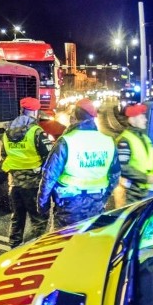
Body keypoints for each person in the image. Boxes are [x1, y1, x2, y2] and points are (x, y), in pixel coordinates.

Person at [37, 98, 121, 229]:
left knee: (63, 245)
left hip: (69, 208)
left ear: (74, 118)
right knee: (89, 243)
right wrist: (102, 197)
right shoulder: (108, 142)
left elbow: (49, 176)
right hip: (96, 207)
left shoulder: (66, 141)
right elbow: (115, 176)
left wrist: (43, 205)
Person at [1, 97, 53, 248]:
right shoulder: (37, 132)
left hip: (14, 182)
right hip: (33, 184)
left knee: (17, 217)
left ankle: (13, 248)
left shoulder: (7, 132)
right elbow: (49, 156)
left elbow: (4, 155)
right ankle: (36, 251)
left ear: (21, 110)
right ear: (36, 112)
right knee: (39, 219)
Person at [113, 103, 153, 207]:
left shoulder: (145, 138)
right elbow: (123, 166)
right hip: (129, 193)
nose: (145, 120)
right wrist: (145, 178)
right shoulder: (124, 140)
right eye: (142, 117)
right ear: (132, 120)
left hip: (142, 191)